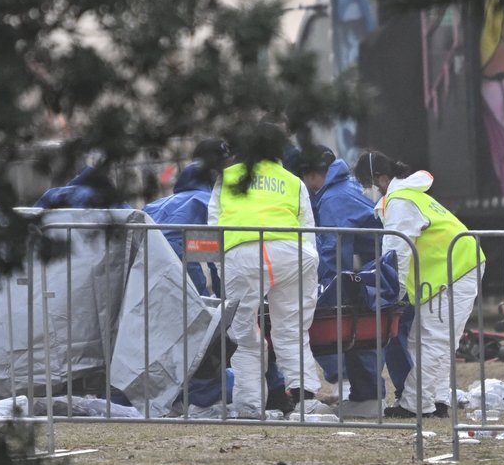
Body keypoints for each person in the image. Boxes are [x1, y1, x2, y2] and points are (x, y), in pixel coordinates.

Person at [208, 122, 331, 418]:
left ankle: (250, 405)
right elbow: (308, 228)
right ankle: (305, 399)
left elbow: (212, 227)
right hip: (292, 254)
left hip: (243, 254)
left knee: (243, 333)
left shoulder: (227, 179)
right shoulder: (291, 181)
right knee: (291, 330)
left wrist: (223, 269)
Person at [353, 152, 486, 418]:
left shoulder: (401, 202)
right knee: (424, 340)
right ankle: (435, 401)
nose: (365, 191)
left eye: (365, 184)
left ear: (381, 179)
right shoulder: (410, 196)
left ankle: (415, 405)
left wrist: (392, 294)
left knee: (433, 341)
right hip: (450, 271)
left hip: (454, 272)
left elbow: (397, 253)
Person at [296, 145, 387, 418]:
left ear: (312, 176)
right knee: (363, 332)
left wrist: (326, 286)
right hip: (375, 270)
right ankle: (365, 395)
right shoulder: (343, 187)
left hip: (366, 273)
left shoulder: (334, 198)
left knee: (355, 331)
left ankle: (367, 396)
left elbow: (333, 249)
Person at [142, 138, 229, 297]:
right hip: (173, 254)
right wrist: (215, 299)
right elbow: (211, 261)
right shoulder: (205, 203)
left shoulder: (161, 203)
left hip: (142, 257)